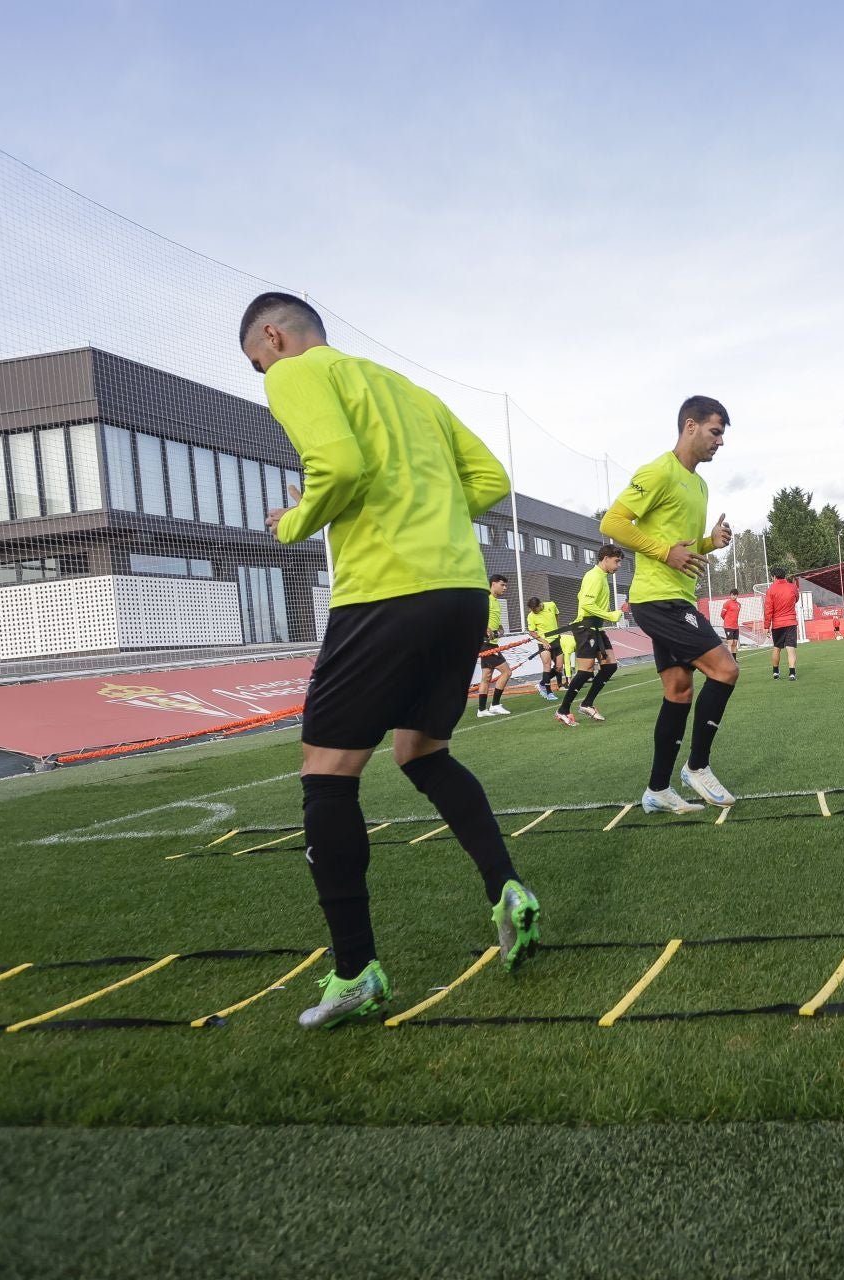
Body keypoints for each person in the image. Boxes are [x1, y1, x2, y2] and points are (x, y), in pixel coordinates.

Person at [237, 291, 539, 1029]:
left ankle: (355, 972)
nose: (262, 374)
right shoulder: (408, 390)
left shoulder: (295, 373)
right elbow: (493, 480)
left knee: (325, 775)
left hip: (385, 593)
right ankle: (507, 888)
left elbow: (336, 466)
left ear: (274, 337)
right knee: (421, 750)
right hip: (460, 591)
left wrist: (293, 522)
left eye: (256, 361)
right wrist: (428, 508)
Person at [600, 396, 740, 814]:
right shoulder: (658, 471)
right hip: (656, 599)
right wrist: (664, 553)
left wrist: (708, 544)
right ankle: (697, 767)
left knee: (679, 692)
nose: (720, 442)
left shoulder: (699, 484)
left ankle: (657, 789)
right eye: (716, 432)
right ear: (690, 426)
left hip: (677, 595)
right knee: (726, 669)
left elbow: (683, 547)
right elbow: (613, 522)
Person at [555, 545, 624, 726]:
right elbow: (586, 604)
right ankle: (562, 710)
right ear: (606, 558)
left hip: (596, 629)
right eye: (616, 561)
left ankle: (587, 704)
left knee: (610, 667)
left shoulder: (601, 577)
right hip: (586, 629)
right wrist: (610, 615)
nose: (618, 566)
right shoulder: (593, 576)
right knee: (585, 672)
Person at [475, 574, 513, 716]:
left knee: (486, 676)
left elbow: (493, 619)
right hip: (486, 644)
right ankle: (495, 704)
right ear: (493, 584)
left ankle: (481, 710)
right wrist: (484, 628)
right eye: (502, 585)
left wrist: (500, 628)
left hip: (492, 643)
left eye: (505, 585)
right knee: (507, 672)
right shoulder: (486, 599)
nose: (505, 588)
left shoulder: (496, 601)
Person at [764, 567, 800, 680]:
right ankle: (792, 673)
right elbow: (796, 599)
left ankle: (775, 672)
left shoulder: (771, 590)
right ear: (784, 576)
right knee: (790, 648)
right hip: (790, 622)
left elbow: (768, 609)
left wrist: (766, 626)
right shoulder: (793, 587)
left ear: (774, 577)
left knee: (777, 647)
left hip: (778, 624)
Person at [525, 595, 563, 699]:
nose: (533, 611)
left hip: (556, 641)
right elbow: (531, 632)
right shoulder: (531, 616)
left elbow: (556, 615)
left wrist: (557, 629)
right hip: (543, 643)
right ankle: (549, 692)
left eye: (535, 609)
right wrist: (543, 641)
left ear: (540, 605)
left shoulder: (551, 605)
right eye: (531, 610)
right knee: (547, 665)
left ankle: (541, 684)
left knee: (559, 667)